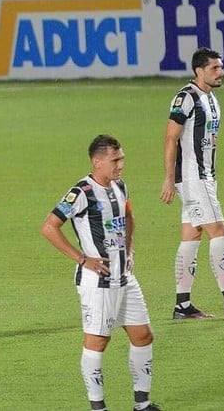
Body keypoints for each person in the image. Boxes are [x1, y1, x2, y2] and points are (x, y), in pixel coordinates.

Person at [41, 135, 160, 411]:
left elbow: (128, 216)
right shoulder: (81, 192)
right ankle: (98, 408)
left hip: (124, 277)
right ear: (97, 161)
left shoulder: (120, 186)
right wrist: (83, 258)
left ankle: (142, 404)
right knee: (98, 341)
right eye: (115, 160)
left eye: (122, 159)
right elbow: (49, 227)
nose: (121, 165)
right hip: (99, 281)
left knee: (143, 335)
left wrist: (129, 249)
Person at [160, 48, 224, 321]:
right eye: (214, 68)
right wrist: (169, 179)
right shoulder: (186, 98)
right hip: (193, 178)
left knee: (191, 235)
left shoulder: (211, 99)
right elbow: (170, 138)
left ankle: (182, 306)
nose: (221, 72)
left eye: (221, 67)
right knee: (218, 231)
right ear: (199, 71)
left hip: (205, 177)